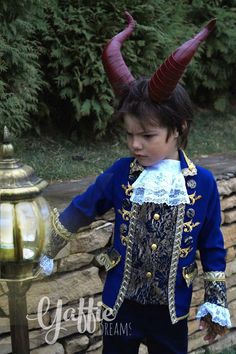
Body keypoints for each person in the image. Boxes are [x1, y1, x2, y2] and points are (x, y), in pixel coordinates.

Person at [40, 12, 231, 354]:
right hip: (121, 306)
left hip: (171, 312)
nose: (135, 145)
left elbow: (212, 246)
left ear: (179, 129)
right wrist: (47, 251)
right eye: (129, 134)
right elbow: (81, 208)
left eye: (147, 135)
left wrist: (216, 304)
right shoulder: (120, 173)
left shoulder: (202, 183)